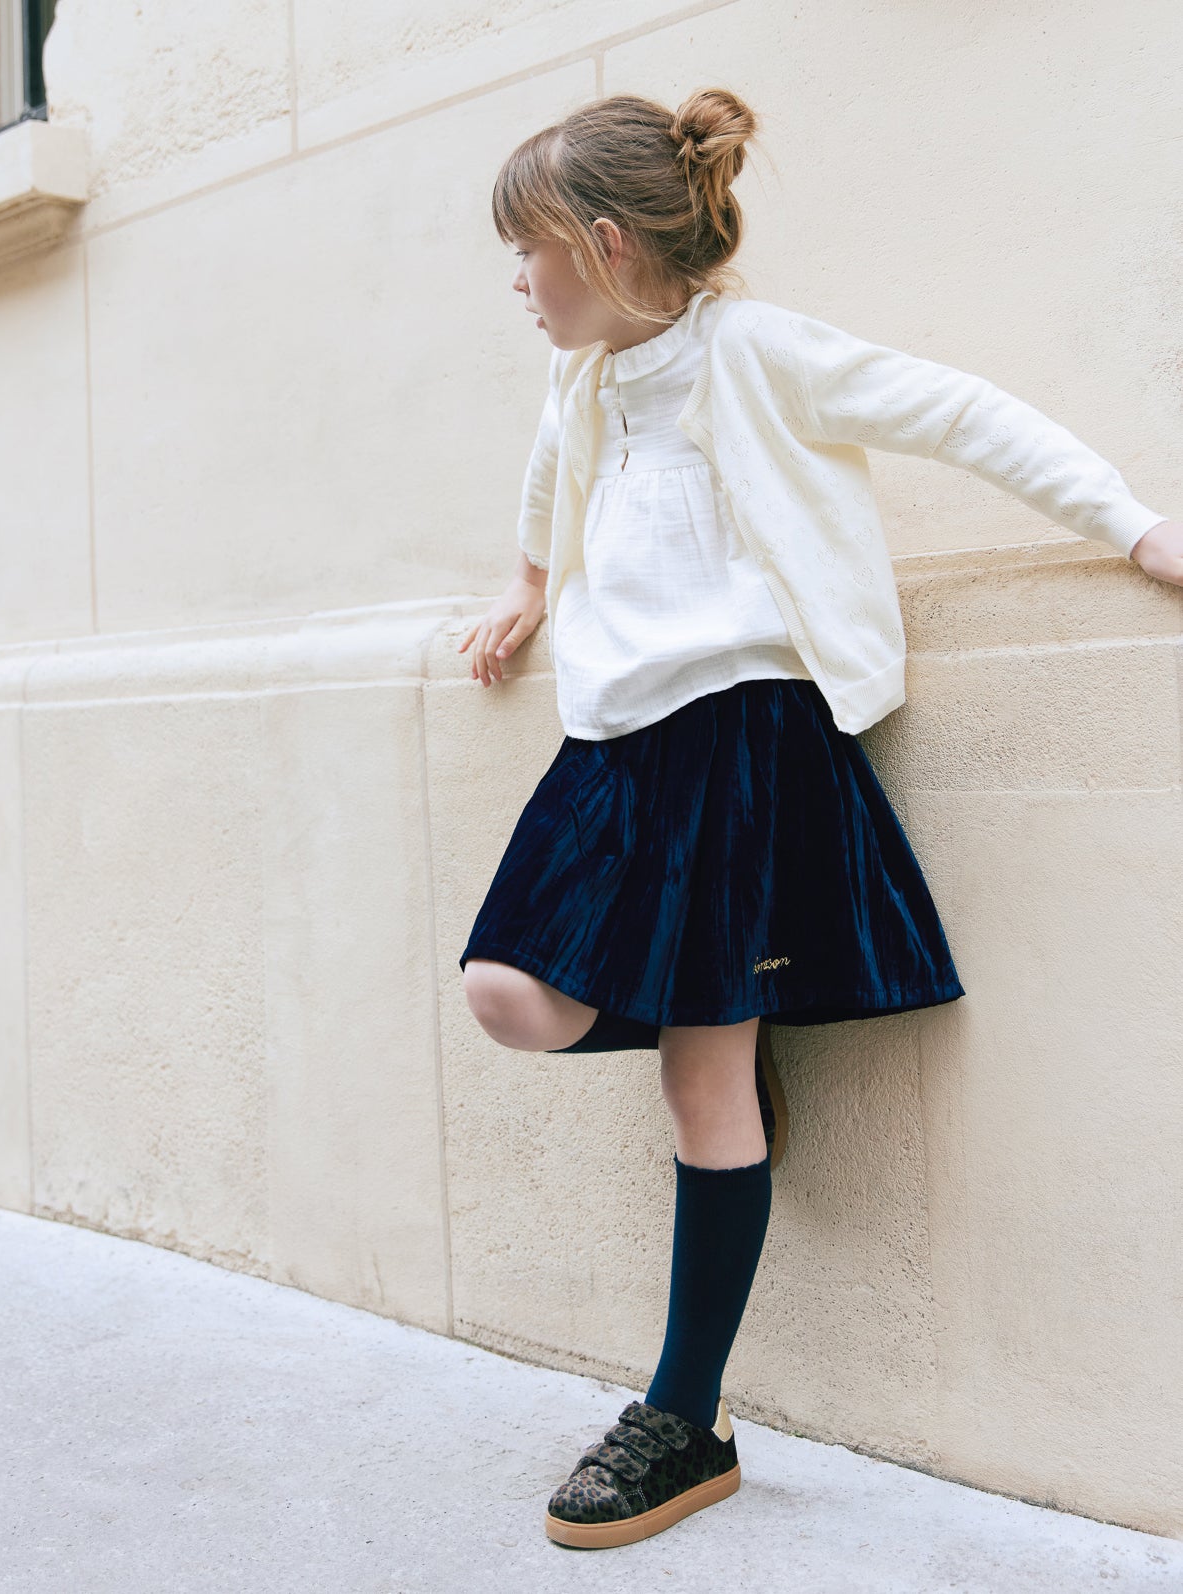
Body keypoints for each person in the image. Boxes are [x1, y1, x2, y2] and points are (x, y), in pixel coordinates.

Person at [455, 86, 1182, 1552]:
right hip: (611, 749)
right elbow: (550, 477)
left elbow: (956, 412)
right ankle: (714, 1024)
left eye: (526, 252)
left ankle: (686, 1415)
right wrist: (529, 587)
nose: (514, 282)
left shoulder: (761, 355)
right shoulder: (583, 383)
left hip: (739, 743)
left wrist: (1130, 523)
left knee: (700, 1094)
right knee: (506, 996)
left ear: (601, 246)